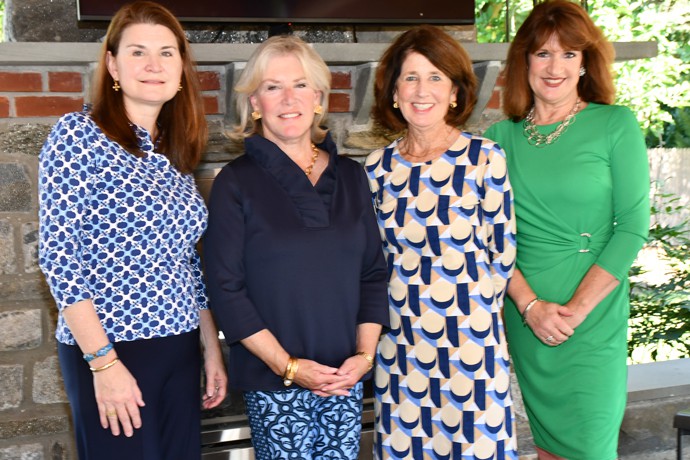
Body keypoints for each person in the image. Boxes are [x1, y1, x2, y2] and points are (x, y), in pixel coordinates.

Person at [38, 2, 227, 459]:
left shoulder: (172, 151)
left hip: (178, 348)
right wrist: (104, 364)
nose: (153, 65)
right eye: (138, 51)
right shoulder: (79, 135)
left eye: (166, 53)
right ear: (112, 64)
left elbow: (185, 260)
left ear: (181, 69)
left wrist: (210, 347)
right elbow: (59, 256)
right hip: (113, 348)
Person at [203, 34, 390, 460]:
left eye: (301, 84)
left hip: (344, 377)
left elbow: (372, 274)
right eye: (272, 87)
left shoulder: (351, 176)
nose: (289, 98)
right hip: (276, 381)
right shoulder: (235, 183)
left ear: (319, 97)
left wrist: (364, 356)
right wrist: (288, 366)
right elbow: (226, 289)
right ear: (254, 103)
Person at [483, 1, 650, 459]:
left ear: (585, 63)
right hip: (527, 314)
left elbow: (633, 226)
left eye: (569, 54)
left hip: (591, 316)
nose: (554, 67)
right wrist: (531, 306)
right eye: (542, 53)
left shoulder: (615, 124)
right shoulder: (499, 140)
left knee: (590, 447)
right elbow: (490, 238)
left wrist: (575, 310)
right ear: (524, 63)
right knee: (548, 451)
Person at [365, 25, 518, 459]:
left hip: (470, 341)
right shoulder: (376, 168)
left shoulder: (485, 158)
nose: (421, 89)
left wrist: (473, 316)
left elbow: (502, 253)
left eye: (435, 77)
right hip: (399, 343)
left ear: (454, 91)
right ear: (394, 91)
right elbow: (372, 261)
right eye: (410, 77)